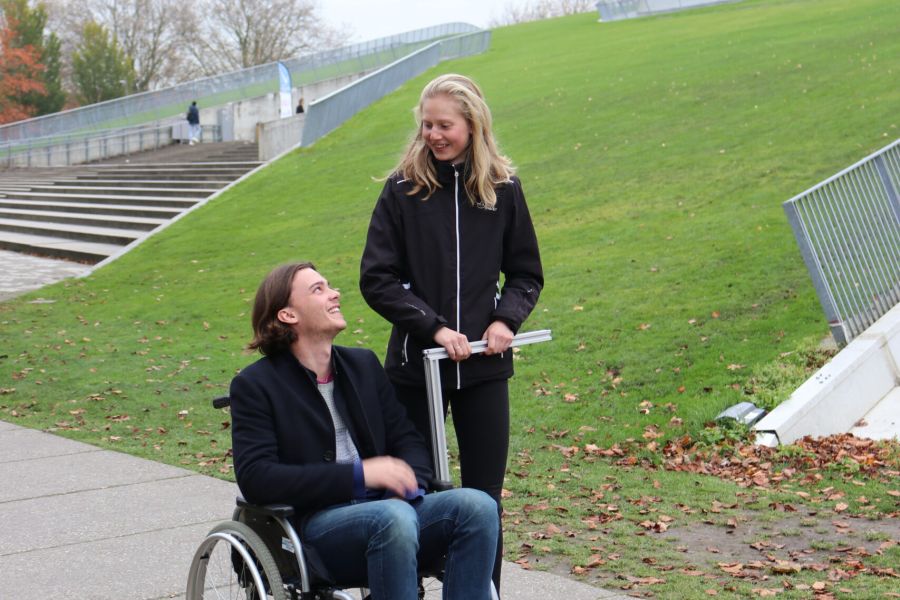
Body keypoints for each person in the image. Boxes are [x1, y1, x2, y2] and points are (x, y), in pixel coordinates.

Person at [359, 73, 543, 593]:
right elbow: (377, 279)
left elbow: (526, 273)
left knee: (485, 497)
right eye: (426, 125)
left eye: (445, 125)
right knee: (412, 491)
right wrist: (434, 328)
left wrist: (505, 319)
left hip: (484, 369)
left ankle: (484, 590)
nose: (434, 135)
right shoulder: (402, 190)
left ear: (473, 124)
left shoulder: (502, 189)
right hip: (415, 372)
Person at [230, 261, 499, 600]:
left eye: (329, 286)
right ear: (287, 315)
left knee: (478, 506)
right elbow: (257, 478)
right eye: (318, 290)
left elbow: (407, 438)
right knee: (393, 518)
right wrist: (360, 475)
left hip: (390, 511)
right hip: (313, 529)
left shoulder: (362, 365)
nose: (334, 293)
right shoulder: (255, 385)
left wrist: (406, 484)